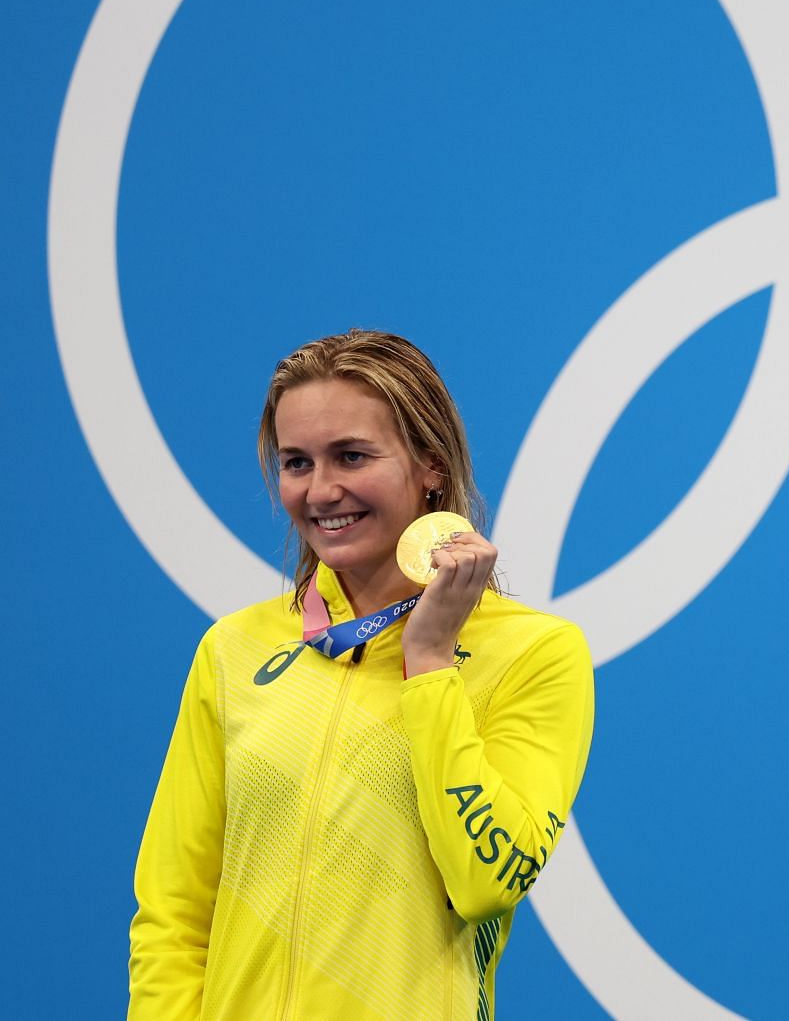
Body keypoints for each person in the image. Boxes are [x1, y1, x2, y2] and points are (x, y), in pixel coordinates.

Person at [129, 329, 595, 1019]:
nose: (321, 490)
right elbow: (173, 906)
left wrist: (430, 662)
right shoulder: (234, 648)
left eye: (351, 455)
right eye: (296, 462)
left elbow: (487, 880)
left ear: (430, 466)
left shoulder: (535, 652)